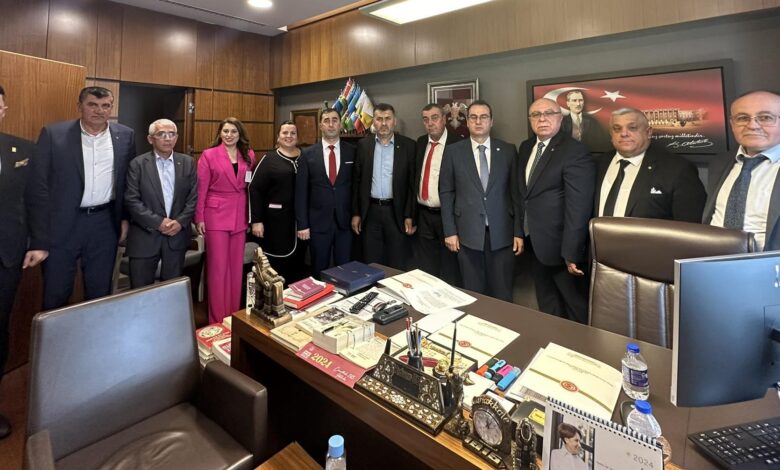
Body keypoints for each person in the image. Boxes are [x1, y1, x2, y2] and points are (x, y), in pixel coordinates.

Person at [26, 86, 136, 309]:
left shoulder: (125, 136)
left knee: (99, 292)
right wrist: (39, 236)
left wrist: (125, 218)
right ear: (80, 107)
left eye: (105, 106)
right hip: (62, 224)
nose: (99, 111)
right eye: (92, 105)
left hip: (104, 224)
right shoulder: (54, 134)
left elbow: (128, 181)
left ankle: (95, 332)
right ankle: (56, 333)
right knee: (56, 292)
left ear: (111, 108)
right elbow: (38, 186)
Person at [514, 98, 594, 323]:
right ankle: (552, 340)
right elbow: (523, 195)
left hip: (562, 249)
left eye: (548, 113)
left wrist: (571, 252)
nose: (542, 119)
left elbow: (579, 207)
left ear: (560, 118)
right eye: (536, 114)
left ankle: (579, 344)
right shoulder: (526, 147)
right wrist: (519, 231)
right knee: (547, 303)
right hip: (534, 242)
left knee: (575, 307)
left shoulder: (574, 151)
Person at [440, 100, 521, 301]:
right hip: (467, 237)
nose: (478, 121)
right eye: (473, 117)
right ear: (467, 122)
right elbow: (446, 192)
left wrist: (518, 232)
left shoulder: (508, 150)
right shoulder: (453, 152)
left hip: (502, 236)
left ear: (491, 121)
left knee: (502, 295)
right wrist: (450, 231)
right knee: (472, 295)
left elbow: (516, 194)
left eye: (483, 117)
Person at [0, 85, 40, 439]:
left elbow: (35, 199)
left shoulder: (22, 149)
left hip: (6, 254)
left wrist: (38, 242)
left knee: (0, 328)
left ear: (4, 109)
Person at [595, 108, 706, 221]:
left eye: (632, 128)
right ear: (611, 134)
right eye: (617, 129)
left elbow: (689, 226)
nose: (624, 134)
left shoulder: (678, 169)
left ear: (648, 132)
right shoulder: (597, 165)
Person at [124, 119, 198, 288]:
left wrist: (180, 222)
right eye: (161, 134)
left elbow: (193, 197)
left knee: (171, 290)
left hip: (176, 236)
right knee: (141, 292)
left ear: (176, 138)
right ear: (150, 139)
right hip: (145, 237)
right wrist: (158, 222)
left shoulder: (187, 162)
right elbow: (132, 200)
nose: (167, 138)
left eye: (171, 134)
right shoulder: (137, 164)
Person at [195, 117, 256, 324]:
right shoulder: (209, 155)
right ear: (220, 133)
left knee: (236, 269)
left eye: (233, 131)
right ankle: (217, 319)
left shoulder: (249, 155)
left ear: (240, 135)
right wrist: (199, 217)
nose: (229, 135)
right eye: (226, 131)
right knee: (218, 270)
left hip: (240, 215)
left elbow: (249, 187)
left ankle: (232, 317)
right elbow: (201, 189)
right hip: (215, 216)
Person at [705, 90, 780, 251]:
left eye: (765, 118)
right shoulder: (720, 163)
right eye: (742, 118)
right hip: (712, 257)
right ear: (732, 124)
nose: (752, 125)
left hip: (770, 263)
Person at [351, 103, 416, 270]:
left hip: (396, 212)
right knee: (372, 261)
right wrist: (356, 213)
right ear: (374, 122)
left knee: (397, 261)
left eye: (388, 118)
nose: (384, 123)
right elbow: (357, 182)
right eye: (379, 119)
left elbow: (412, 185)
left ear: (395, 121)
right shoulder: (363, 145)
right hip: (371, 212)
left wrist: (409, 215)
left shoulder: (409, 146)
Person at [296, 108, 355, 278]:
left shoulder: (353, 151)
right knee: (318, 269)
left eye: (335, 120)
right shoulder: (307, 154)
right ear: (321, 125)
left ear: (340, 124)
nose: (331, 124)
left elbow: (356, 186)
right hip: (318, 223)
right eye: (327, 120)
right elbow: (301, 193)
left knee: (346, 271)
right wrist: (302, 224)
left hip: (345, 223)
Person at [249, 121, 307, 284]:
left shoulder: (305, 157)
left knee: (299, 265)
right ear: (278, 137)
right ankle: (276, 297)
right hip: (275, 222)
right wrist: (256, 221)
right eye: (285, 133)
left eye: (293, 133)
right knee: (276, 266)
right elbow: (255, 189)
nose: (289, 136)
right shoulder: (269, 159)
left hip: (301, 223)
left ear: (298, 137)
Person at [413, 103, 463, 286]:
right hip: (424, 214)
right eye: (425, 119)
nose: (430, 123)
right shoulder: (420, 142)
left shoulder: (458, 144)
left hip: (448, 215)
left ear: (444, 119)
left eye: (434, 118)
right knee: (426, 267)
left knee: (450, 267)